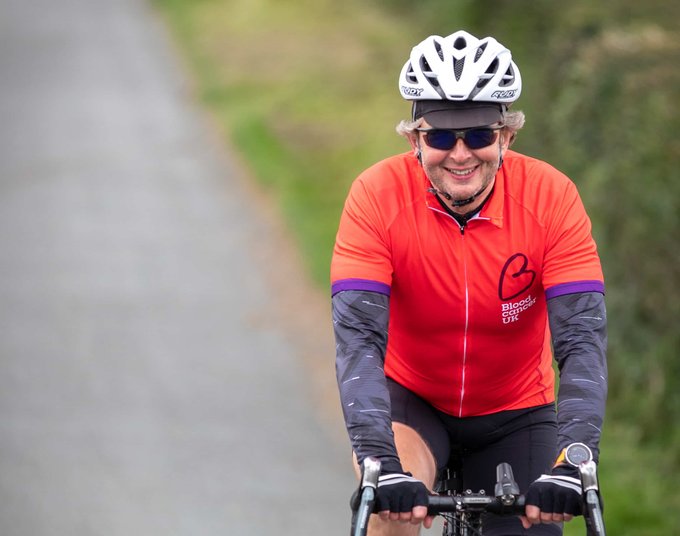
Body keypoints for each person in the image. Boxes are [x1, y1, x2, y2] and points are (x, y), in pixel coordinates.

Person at [331, 30, 607, 535]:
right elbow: (359, 341)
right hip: (414, 401)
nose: (460, 154)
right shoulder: (375, 196)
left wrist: (575, 460)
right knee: (387, 515)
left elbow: (581, 340)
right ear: (415, 139)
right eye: (440, 136)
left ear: (506, 136)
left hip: (517, 409)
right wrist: (380, 460)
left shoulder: (553, 198)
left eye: (478, 134)